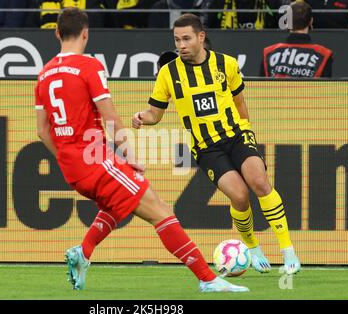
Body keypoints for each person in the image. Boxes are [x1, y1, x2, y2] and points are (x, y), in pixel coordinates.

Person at [35, 7, 249, 292]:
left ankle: (83, 252)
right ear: (86, 33)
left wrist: (66, 158)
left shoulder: (45, 73)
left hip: (74, 167)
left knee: (117, 204)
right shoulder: (89, 67)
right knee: (161, 211)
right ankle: (207, 279)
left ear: (57, 33)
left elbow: (42, 130)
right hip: (96, 161)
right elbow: (110, 117)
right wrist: (130, 156)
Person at [132, 13, 301, 275]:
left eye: (186, 39)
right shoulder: (168, 73)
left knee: (258, 181)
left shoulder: (227, 64)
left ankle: (288, 249)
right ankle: (252, 247)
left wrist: (245, 133)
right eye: (177, 40)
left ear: (201, 37)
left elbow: (240, 105)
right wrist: (141, 117)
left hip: (236, 135)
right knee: (240, 196)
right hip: (207, 148)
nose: (181, 45)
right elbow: (155, 114)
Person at [261, 1, 333, 78]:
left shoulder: (268, 52)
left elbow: (260, 87)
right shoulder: (324, 54)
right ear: (311, 21)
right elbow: (325, 89)